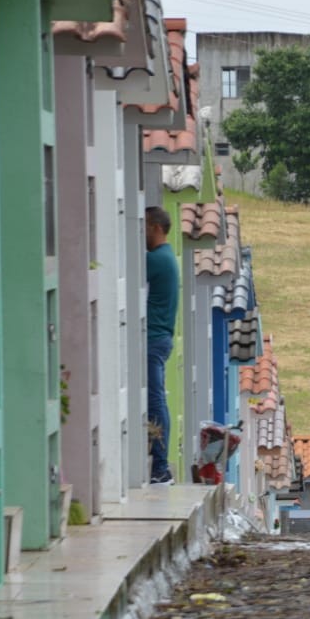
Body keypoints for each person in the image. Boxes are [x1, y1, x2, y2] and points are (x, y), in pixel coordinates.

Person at [145, 206, 180, 485]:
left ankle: (160, 466)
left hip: (153, 340)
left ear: (156, 227)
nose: (140, 233)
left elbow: (125, 264)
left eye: (143, 226)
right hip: (161, 338)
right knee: (157, 399)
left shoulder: (156, 259)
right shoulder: (167, 257)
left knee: (156, 400)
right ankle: (159, 463)